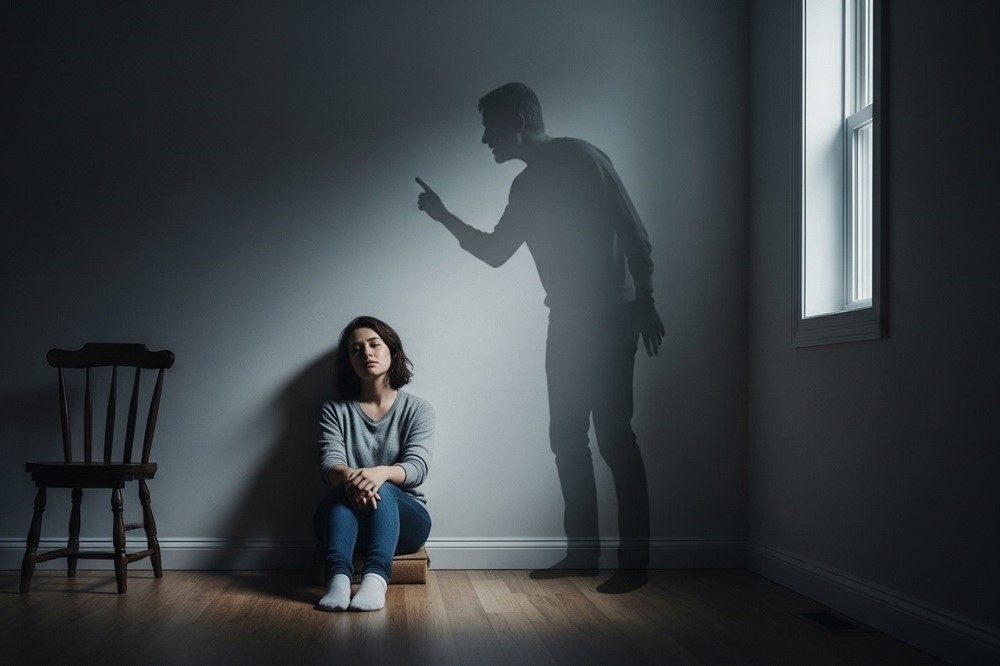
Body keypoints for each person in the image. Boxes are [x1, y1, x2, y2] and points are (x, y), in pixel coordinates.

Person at [416, 82, 663, 593]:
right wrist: (443, 216)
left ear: (519, 124)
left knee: (615, 438)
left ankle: (634, 563)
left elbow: (632, 229)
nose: (485, 140)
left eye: (490, 128)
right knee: (566, 437)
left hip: (612, 318)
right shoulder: (525, 188)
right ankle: (582, 554)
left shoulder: (583, 158)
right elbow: (495, 251)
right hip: (567, 322)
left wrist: (646, 301)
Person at [313, 316, 434, 611]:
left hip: (406, 525)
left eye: (374, 344)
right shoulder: (335, 410)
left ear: (391, 350)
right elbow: (330, 466)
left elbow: (417, 468)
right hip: (347, 521)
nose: (366, 353)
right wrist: (356, 480)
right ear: (349, 362)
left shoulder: (419, 409)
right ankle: (338, 581)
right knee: (342, 492)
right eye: (356, 349)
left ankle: (376, 580)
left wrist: (380, 474)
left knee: (388, 488)